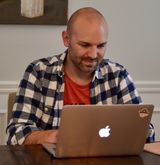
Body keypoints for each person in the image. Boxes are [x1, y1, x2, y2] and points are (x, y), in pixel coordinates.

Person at [7, 7, 155, 145]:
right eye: (85, 45)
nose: (93, 55)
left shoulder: (118, 76)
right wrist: (56, 137)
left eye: (101, 46)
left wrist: (134, 132)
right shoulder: (39, 72)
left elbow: (146, 131)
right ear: (66, 39)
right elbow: (16, 134)